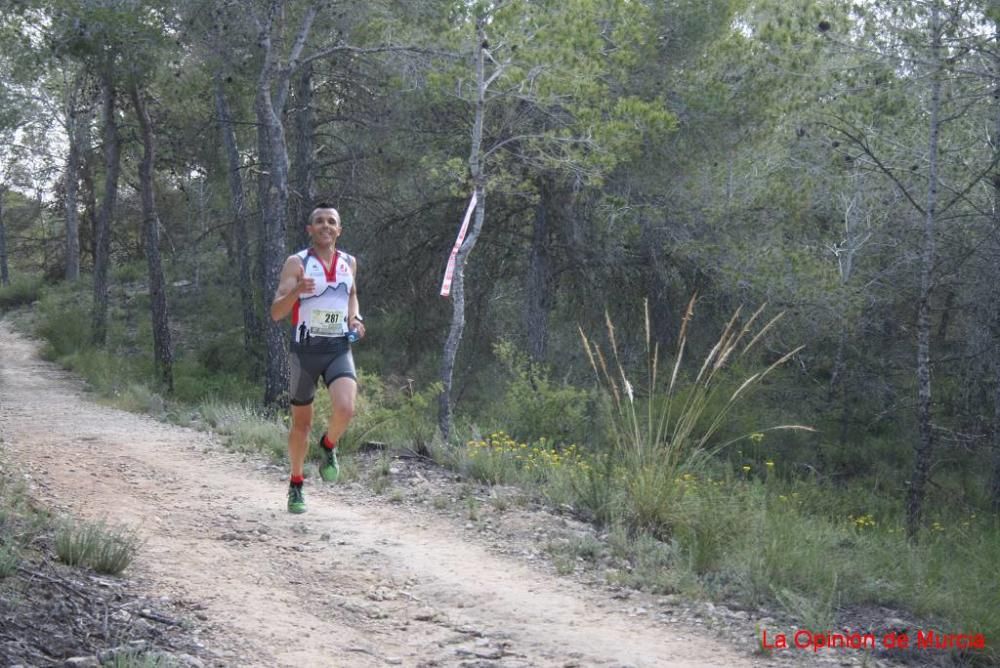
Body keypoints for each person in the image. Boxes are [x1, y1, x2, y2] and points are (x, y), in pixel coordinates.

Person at [270, 204, 366, 513]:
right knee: (302, 426)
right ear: (310, 229)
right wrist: (297, 290)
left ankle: (328, 445)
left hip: (338, 348)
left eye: (331, 222)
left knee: (346, 408)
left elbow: (351, 295)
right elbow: (276, 313)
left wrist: (356, 319)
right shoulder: (297, 263)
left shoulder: (349, 262)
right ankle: (296, 484)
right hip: (305, 352)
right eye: (319, 221)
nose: (325, 226)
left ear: (339, 230)